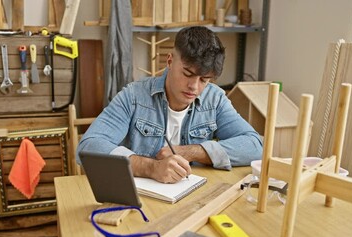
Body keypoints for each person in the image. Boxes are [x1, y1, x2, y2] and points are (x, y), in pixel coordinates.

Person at [77, 26, 263, 183]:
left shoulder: (215, 99)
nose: (194, 87)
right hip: (141, 202)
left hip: (193, 198)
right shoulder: (133, 96)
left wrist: (191, 152)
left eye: (204, 80)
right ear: (169, 61)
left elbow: (255, 146)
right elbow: (87, 148)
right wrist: (151, 167)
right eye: (187, 74)